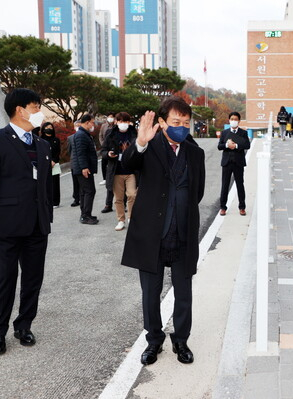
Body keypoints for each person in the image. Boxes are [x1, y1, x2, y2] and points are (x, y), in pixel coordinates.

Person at [121, 96, 205, 366]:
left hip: (183, 233)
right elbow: (125, 165)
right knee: (150, 293)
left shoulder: (195, 152)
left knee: (184, 292)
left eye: (186, 122)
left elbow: (198, 192)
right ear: (161, 122)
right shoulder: (148, 145)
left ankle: (181, 340)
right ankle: (153, 340)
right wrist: (141, 143)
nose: (181, 126)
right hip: (151, 234)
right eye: (175, 122)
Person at [0, 88, 53, 355]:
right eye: (35, 107)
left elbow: (43, 186)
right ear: (20, 109)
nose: (39, 112)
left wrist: (47, 217)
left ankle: (24, 325)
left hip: (36, 226)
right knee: (3, 279)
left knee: (33, 280)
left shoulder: (42, 145)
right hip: (5, 226)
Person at [101, 112, 138, 231]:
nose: (123, 124)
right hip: (116, 170)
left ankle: (131, 218)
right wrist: (108, 154)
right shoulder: (110, 134)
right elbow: (103, 151)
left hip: (131, 170)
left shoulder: (134, 133)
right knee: (118, 198)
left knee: (132, 194)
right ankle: (121, 220)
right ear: (116, 122)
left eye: (126, 121)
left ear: (129, 122)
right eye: (121, 121)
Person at [218, 111, 251, 216]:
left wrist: (236, 146)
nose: (233, 121)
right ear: (229, 120)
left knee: (240, 185)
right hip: (227, 163)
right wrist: (227, 145)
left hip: (238, 162)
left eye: (235, 119)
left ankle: (242, 207)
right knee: (225, 185)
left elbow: (247, 145)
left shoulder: (243, 133)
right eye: (232, 119)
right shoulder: (224, 132)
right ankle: (223, 207)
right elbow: (219, 146)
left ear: (239, 121)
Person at [72, 114, 99, 225]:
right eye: (92, 122)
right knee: (89, 191)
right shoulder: (81, 135)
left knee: (84, 191)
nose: (93, 125)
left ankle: (85, 214)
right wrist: (84, 167)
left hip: (83, 167)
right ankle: (85, 215)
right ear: (87, 122)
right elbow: (80, 153)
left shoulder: (84, 134)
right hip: (83, 168)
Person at [39, 122, 61, 208]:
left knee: (55, 183)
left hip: (54, 164)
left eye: (51, 127)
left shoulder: (56, 140)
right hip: (44, 164)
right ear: (43, 129)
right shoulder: (40, 140)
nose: (49, 129)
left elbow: (57, 152)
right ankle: (48, 201)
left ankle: (56, 202)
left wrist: (54, 161)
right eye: (47, 127)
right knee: (46, 183)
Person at [99, 113, 115, 213]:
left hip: (124, 164)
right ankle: (108, 204)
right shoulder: (107, 130)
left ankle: (124, 204)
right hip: (112, 163)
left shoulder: (128, 134)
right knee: (110, 185)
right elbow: (103, 151)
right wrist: (108, 153)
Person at [67, 123, 81, 207]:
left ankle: (83, 197)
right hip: (74, 163)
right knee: (75, 182)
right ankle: (76, 198)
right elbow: (69, 150)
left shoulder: (86, 136)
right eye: (77, 126)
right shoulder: (70, 138)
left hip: (84, 163)